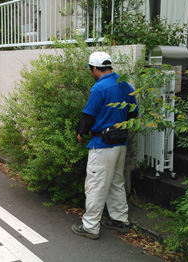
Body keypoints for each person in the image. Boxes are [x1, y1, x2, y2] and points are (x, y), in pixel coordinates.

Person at [71, 52, 138, 240]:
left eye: (90, 69)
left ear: (94, 68)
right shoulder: (125, 84)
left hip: (102, 144)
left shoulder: (99, 88)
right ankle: (120, 220)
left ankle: (90, 226)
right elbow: (133, 114)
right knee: (116, 182)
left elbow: (88, 115)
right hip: (121, 143)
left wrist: (81, 133)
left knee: (95, 185)